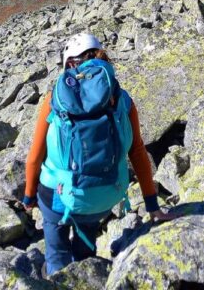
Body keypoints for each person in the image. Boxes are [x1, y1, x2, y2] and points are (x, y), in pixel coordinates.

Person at [24, 33, 172, 275]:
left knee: (57, 253)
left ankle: (58, 274)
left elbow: (34, 158)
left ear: (70, 64)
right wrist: (152, 204)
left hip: (58, 197)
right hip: (103, 197)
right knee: (86, 239)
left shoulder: (54, 100)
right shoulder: (122, 100)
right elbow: (137, 152)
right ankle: (87, 270)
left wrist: (29, 197)